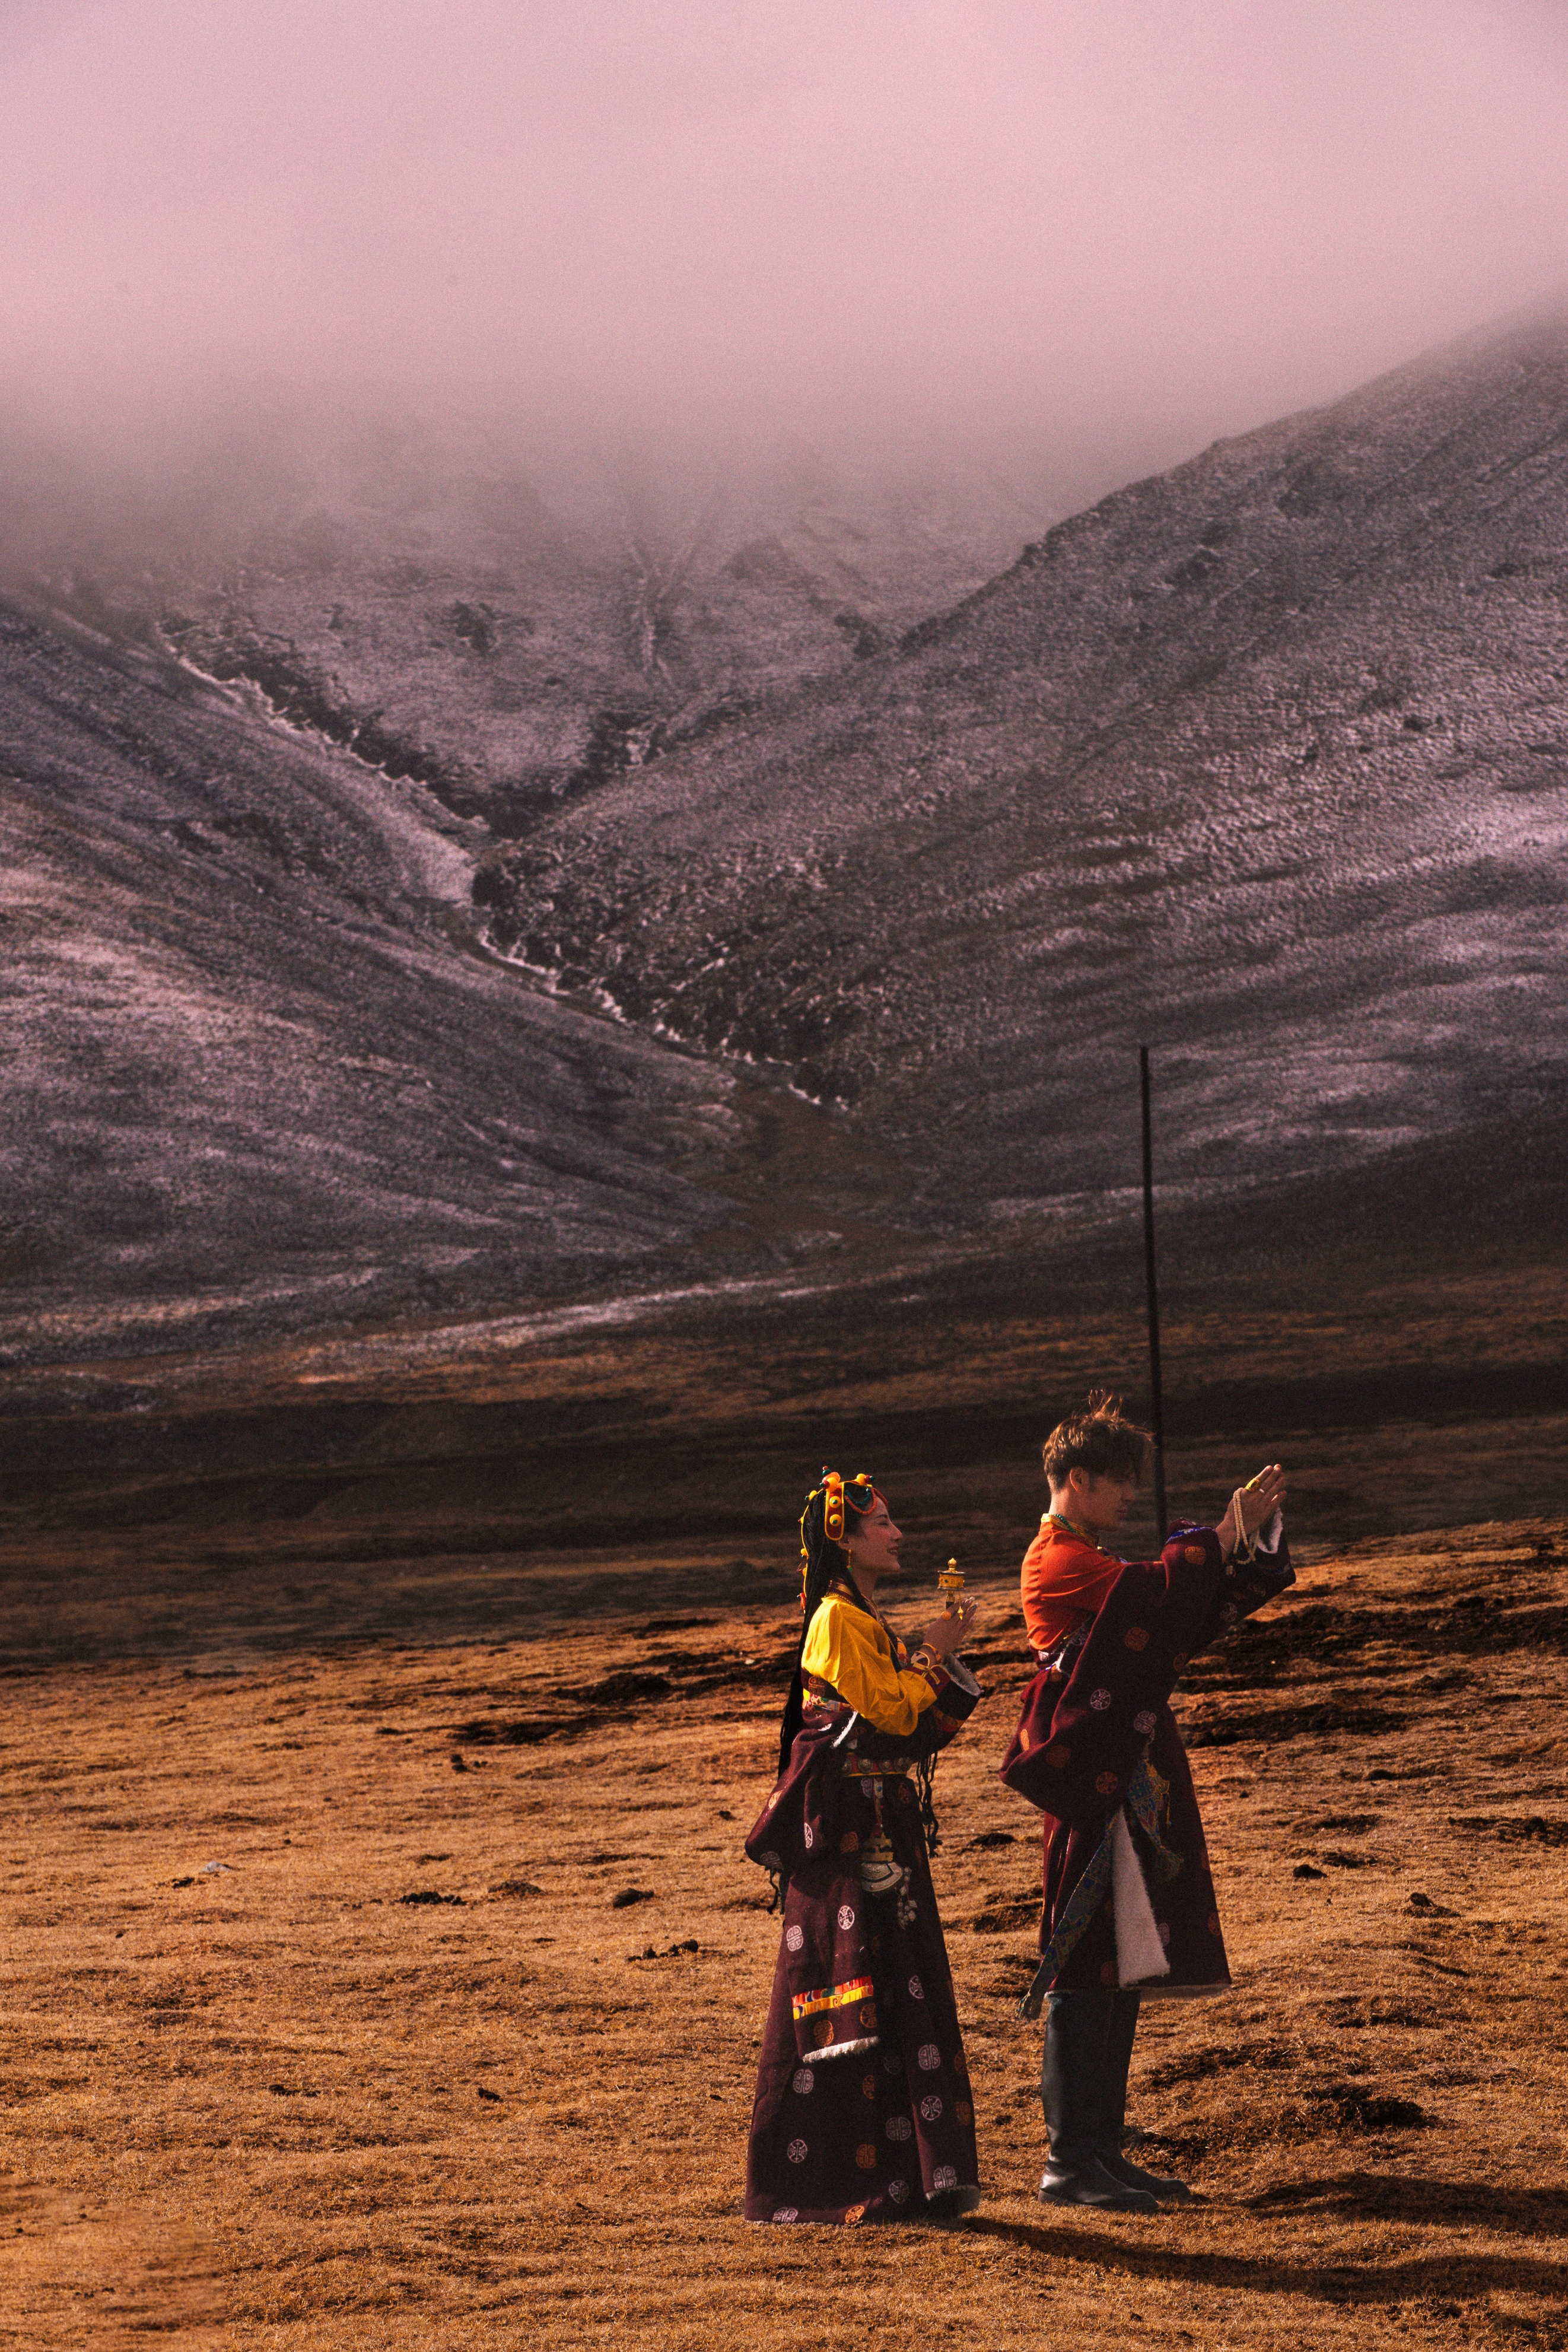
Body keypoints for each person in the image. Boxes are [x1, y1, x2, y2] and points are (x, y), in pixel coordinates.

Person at [999, 1396, 1292, 2214]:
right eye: (1119, 1482)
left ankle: (1097, 2149)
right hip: (1097, 1772)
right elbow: (1152, 1597)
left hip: (1117, 1766)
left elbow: (1169, 1611)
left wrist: (1241, 1546)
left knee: (1115, 1957)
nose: (1130, 1496)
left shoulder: (1077, 1555)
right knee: (1086, 1954)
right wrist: (1221, 1539)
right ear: (1077, 1479)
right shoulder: (1053, 1559)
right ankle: (1068, 2160)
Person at [743, 1470, 984, 2225]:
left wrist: (929, 1658)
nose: (898, 1533)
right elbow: (880, 1710)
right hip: (853, 1836)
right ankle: (835, 2180)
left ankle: (908, 2176)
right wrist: (929, 1657)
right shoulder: (838, 1620)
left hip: (879, 1826)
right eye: (883, 1523)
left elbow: (893, 1717)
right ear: (845, 1539)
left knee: (897, 1983)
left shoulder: (859, 1616)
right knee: (862, 1990)